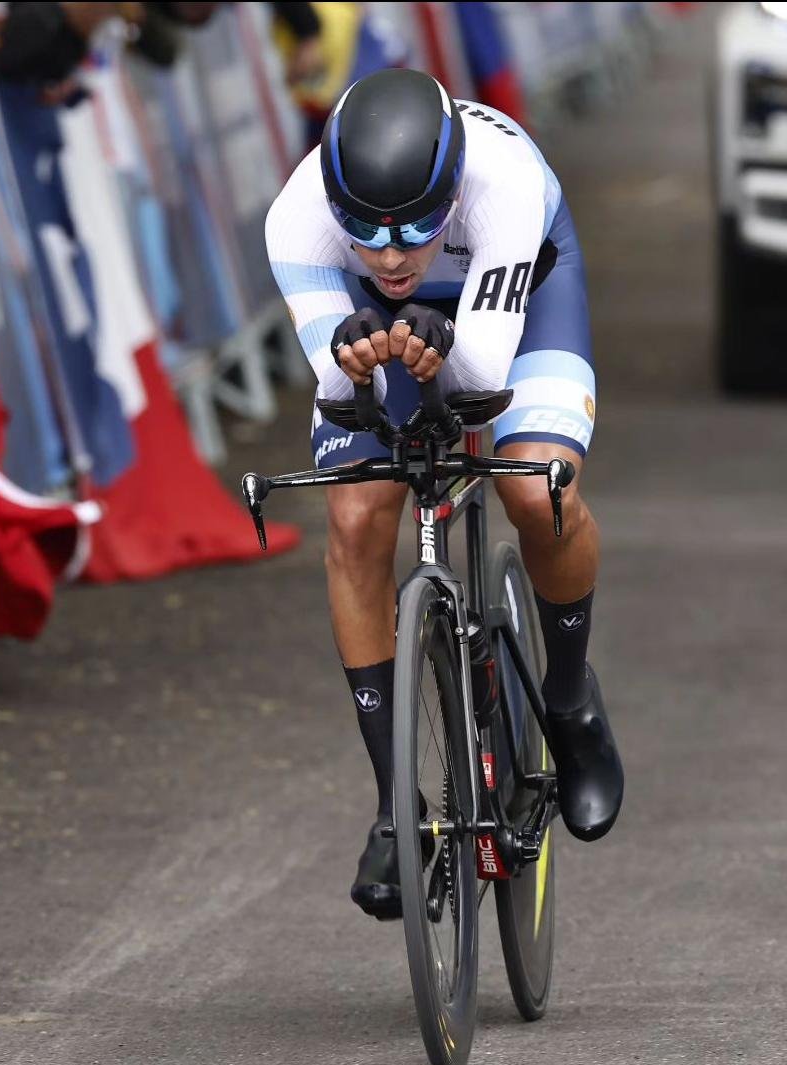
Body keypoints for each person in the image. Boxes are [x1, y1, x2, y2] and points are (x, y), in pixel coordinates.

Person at [265, 68, 624, 920]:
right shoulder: (297, 218)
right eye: (366, 233)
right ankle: (397, 807)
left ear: (452, 191)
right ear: (333, 205)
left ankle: (570, 699)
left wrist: (439, 339)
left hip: (519, 299)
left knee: (538, 489)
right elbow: (339, 392)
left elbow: (475, 383)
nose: (391, 256)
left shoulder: (504, 186)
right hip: (384, 329)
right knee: (356, 516)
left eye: (419, 226)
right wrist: (358, 355)